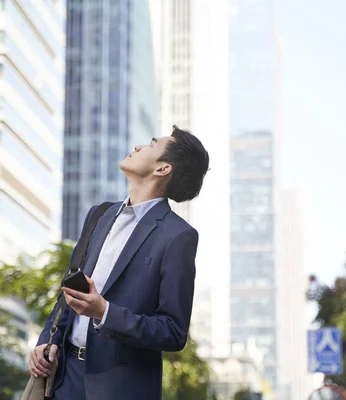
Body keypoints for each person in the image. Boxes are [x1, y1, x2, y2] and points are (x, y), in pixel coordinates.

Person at [29, 126, 210, 400]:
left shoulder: (178, 236)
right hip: (65, 380)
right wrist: (46, 341)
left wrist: (104, 312)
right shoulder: (99, 215)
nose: (138, 146)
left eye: (150, 144)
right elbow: (68, 295)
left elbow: (173, 332)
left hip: (121, 387)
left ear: (162, 169)